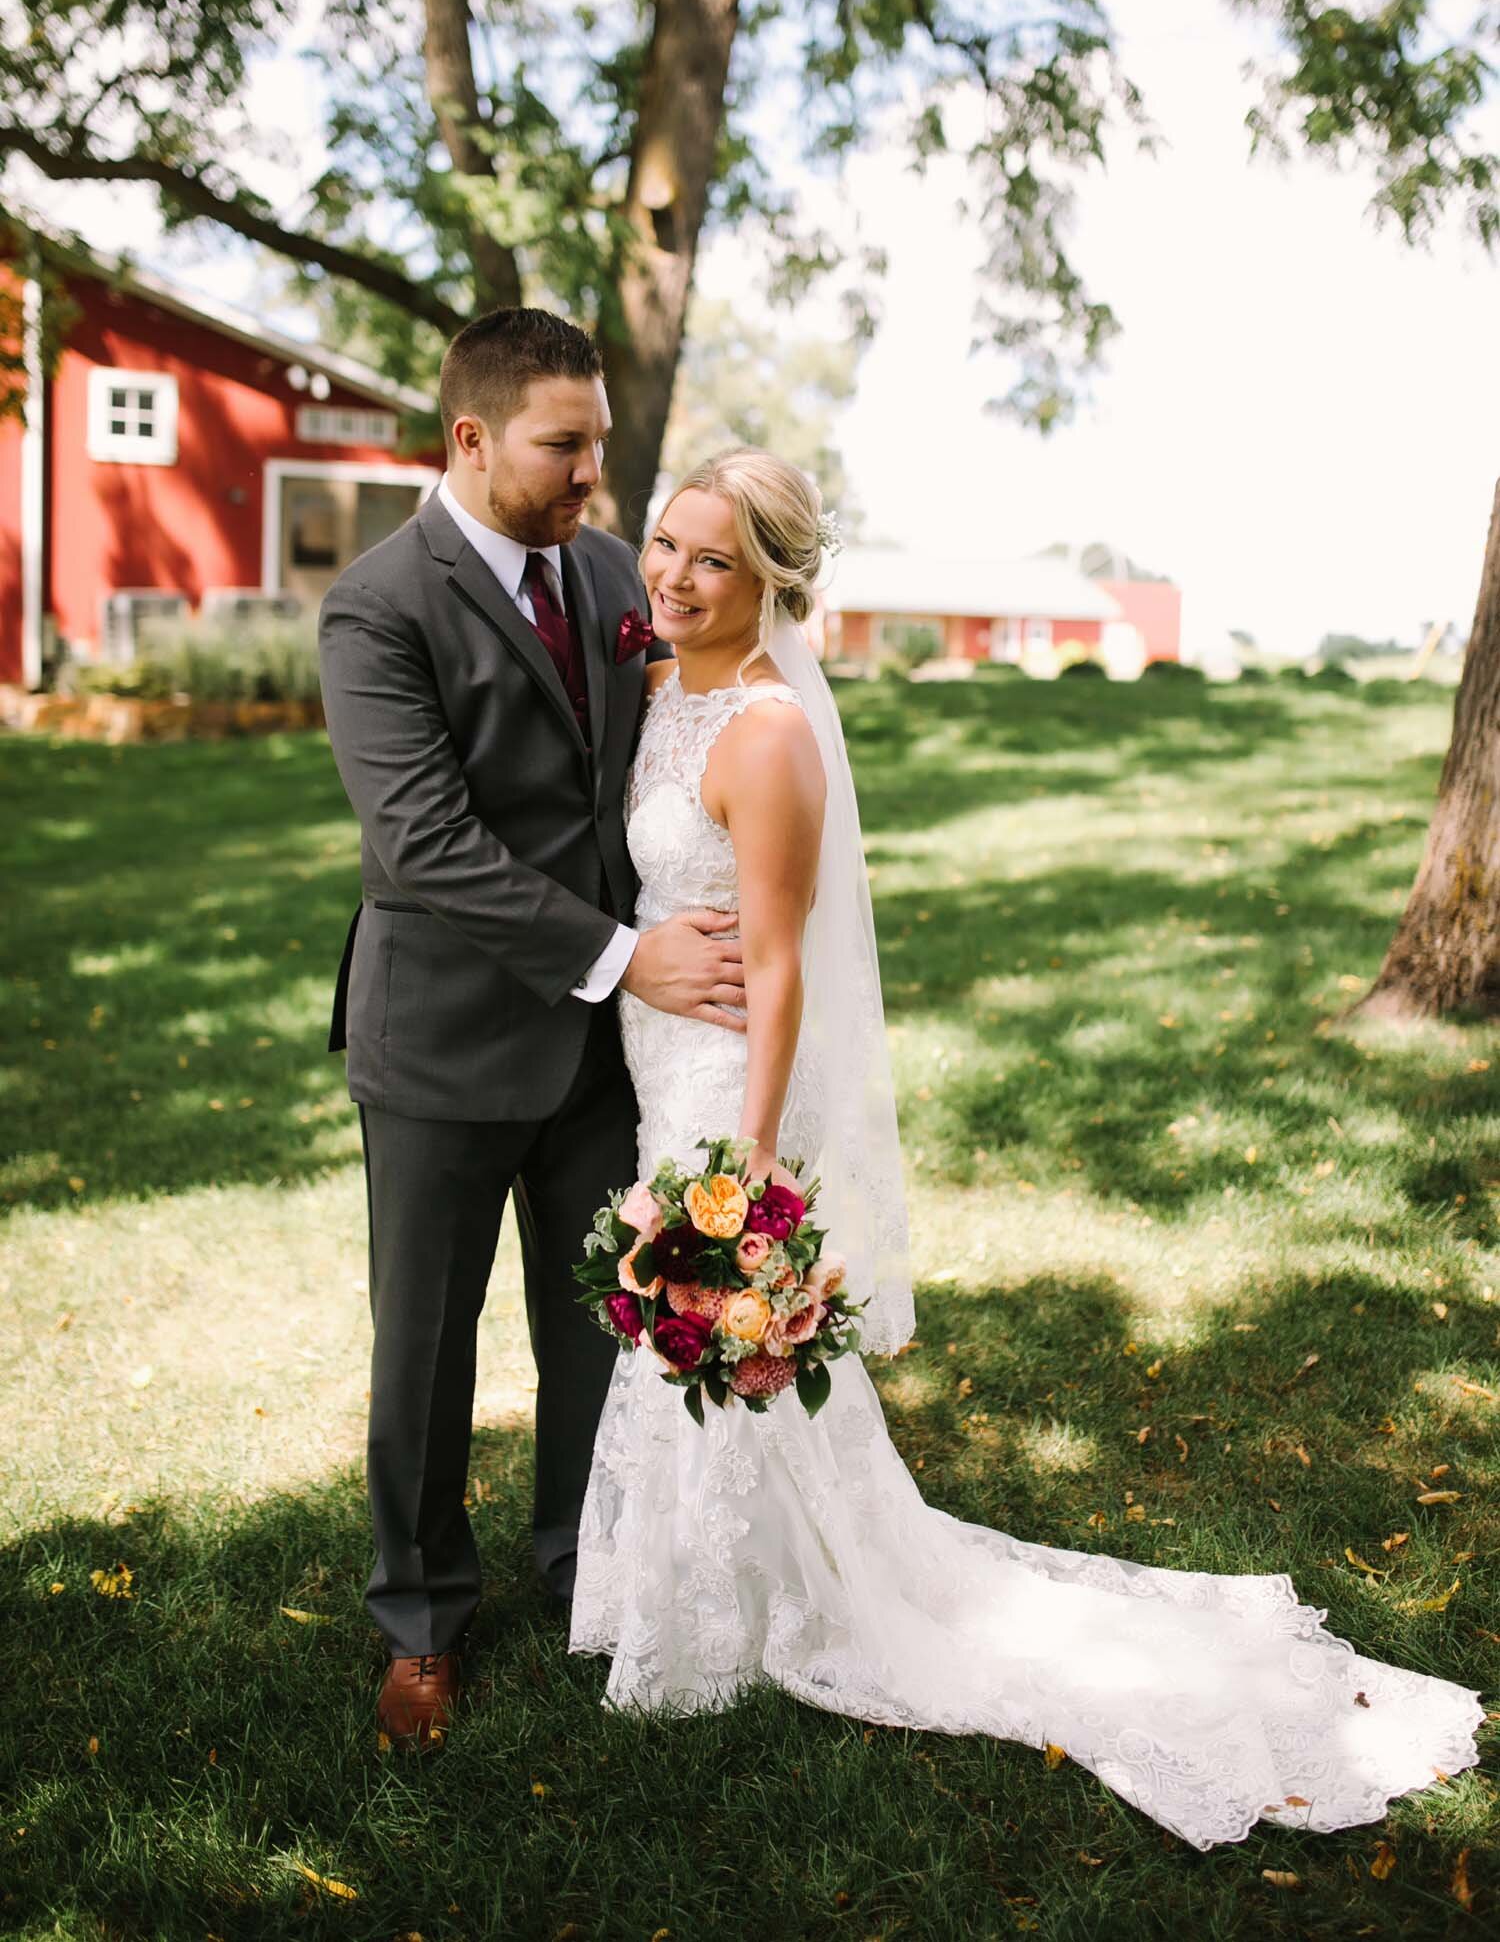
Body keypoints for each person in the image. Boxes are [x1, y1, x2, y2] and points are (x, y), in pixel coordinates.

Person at [570, 445, 1486, 1852]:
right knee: (698, 1347)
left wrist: (746, 1170)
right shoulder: (664, 687)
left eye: (715, 560)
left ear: (772, 582)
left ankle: (712, 1627)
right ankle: (707, 1593)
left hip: (725, 1083)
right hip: (660, 1055)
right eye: (668, 545)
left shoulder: (764, 730)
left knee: (710, 1324)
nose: (677, 578)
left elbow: (785, 963)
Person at [318, 308, 747, 1749]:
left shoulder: (617, 573)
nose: (593, 478)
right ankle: (423, 1621)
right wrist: (629, 955)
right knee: (423, 1352)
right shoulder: (377, 605)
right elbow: (423, 844)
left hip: (596, 1064)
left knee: (598, 1330)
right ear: (472, 438)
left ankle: (587, 1567)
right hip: (440, 1047)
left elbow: (666, 750)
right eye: (566, 448)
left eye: (601, 445)